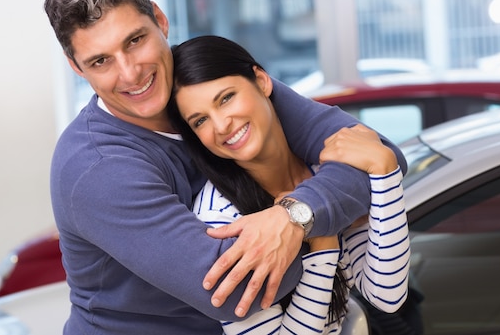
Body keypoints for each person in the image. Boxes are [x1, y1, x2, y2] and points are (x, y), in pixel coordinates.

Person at [43, 0, 407, 334]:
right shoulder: (98, 167)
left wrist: (295, 216)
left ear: (160, 20)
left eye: (135, 40)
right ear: (77, 68)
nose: (131, 73)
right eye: (100, 61)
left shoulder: (211, 83)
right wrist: (319, 223)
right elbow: (233, 291)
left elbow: (375, 154)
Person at [167, 35, 410, 334]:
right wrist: (322, 244)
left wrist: (385, 170)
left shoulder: (326, 171)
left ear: (261, 81)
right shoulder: (219, 221)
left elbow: (387, 294)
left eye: (226, 98)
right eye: (200, 120)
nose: (221, 125)